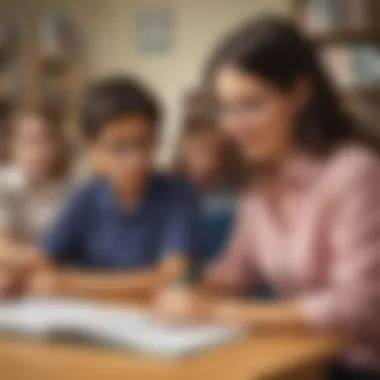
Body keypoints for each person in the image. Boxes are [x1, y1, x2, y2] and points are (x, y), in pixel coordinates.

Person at [155, 17, 380, 379]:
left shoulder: (355, 173)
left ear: (300, 94)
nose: (232, 125)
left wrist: (217, 312)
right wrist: (190, 287)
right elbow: (238, 269)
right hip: (302, 355)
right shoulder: (260, 180)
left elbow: (357, 305)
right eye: (226, 107)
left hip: (358, 364)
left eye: (251, 104)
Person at [1, 76, 201, 301]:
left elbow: (170, 278)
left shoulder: (179, 194)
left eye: (145, 143)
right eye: (119, 148)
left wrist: (70, 283)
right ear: (92, 149)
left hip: (148, 318)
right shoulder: (85, 196)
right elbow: (44, 260)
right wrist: (13, 277)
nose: (135, 159)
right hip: (87, 318)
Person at [0, 105, 74, 296]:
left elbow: (74, 248)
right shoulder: (4, 184)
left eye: (46, 140)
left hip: (49, 282)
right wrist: (49, 260)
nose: (38, 150)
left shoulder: (69, 189)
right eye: (29, 141)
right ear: (12, 145)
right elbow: (4, 249)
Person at [175, 90, 238, 262]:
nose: (210, 161)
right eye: (203, 149)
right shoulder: (166, 192)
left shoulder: (233, 198)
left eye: (218, 152)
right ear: (184, 145)